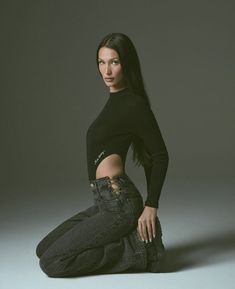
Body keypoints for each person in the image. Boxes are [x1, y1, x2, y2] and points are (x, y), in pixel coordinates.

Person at [35, 32, 169, 277]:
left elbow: (159, 156)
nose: (107, 70)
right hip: (102, 202)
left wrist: (151, 205)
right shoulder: (114, 100)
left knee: (53, 263)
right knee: (43, 249)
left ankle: (142, 250)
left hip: (120, 204)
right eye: (101, 62)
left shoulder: (134, 105)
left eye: (114, 62)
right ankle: (132, 242)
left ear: (126, 64)